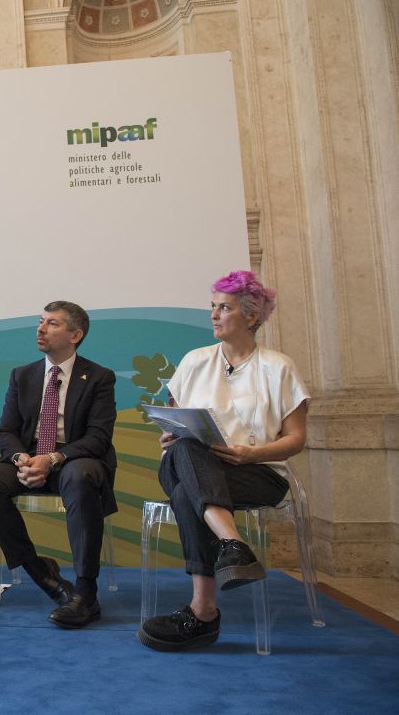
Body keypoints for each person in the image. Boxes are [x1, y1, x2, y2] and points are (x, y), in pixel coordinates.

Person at [138, 271, 309, 652]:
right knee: (184, 449)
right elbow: (175, 420)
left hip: (256, 472)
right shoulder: (194, 361)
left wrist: (253, 453)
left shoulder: (279, 367)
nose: (214, 315)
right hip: (191, 462)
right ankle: (233, 544)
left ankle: (203, 612)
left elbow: (296, 439)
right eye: (212, 307)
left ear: (251, 316)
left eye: (225, 308)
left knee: (186, 495)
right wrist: (169, 434)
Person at [0, 301, 117, 628]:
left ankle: (86, 595)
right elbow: (6, 431)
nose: (40, 328)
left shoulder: (99, 377)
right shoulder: (22, 375)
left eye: (52, 323)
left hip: (76, 457)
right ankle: (39, 571)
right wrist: (21, 459)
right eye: (41, 321)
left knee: (80, 477)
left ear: (75, 335)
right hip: (29, 454)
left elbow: (98, 438)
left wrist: (51, 459)